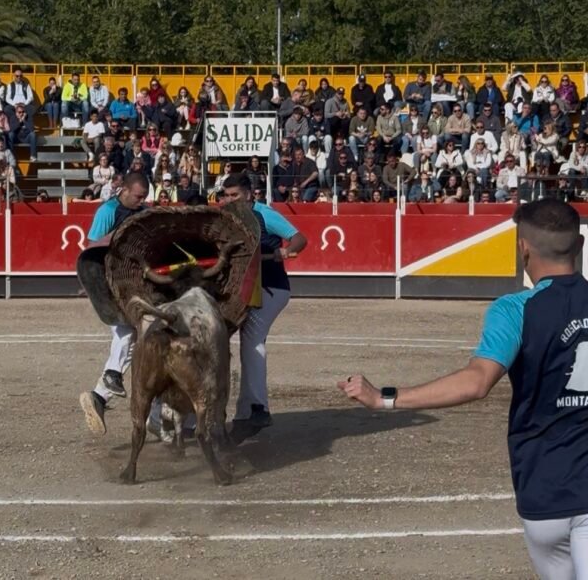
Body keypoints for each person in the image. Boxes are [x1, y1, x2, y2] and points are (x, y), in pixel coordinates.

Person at [338, 198, 588, 579]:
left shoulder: (515, 309)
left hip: (544, 491)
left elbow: (476, 383)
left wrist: (384, 398)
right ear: (580, 245)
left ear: (523, 247)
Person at [221, 173, 307, 435]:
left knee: (251, 339)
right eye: (227, 195)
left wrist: (284, 250)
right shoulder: (226, 216)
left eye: (235, 195)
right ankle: (246, 414)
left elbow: (299, 239)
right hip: (242, 290)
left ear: (249, 193)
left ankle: (258, 408)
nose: (230, 200)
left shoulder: (264, 214)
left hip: (270, 286)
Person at [79, 173, 151, 433]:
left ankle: (100, 396)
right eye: (138, 196)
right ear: (124, 190)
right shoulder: (108, 210)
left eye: (144, 196)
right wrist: (94, 284)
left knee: (138, 336)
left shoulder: (144, 212)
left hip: (136, 282)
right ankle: (113, 378)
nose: (142, 201)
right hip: (113, 281)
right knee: (125, 329)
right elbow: (93, 248)